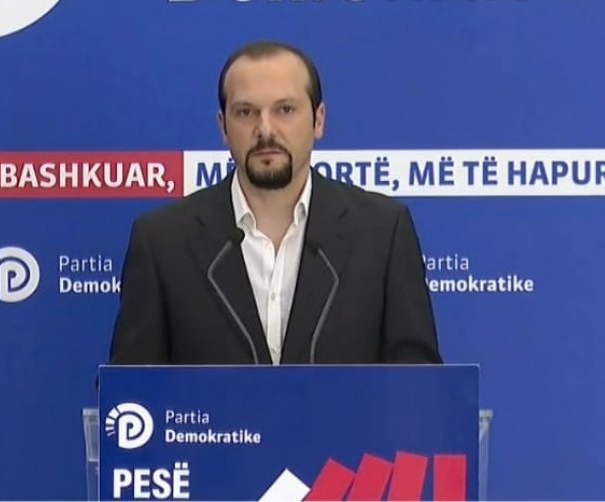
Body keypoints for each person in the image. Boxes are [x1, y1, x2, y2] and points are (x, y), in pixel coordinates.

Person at [108, 40, 442, 365]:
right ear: (223, 127)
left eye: (285, 109)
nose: (265, 129)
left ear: (318, 120)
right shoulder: (163, 241)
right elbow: (129, 389)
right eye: (245, 112)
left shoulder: (381, 232)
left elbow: (418, 382)